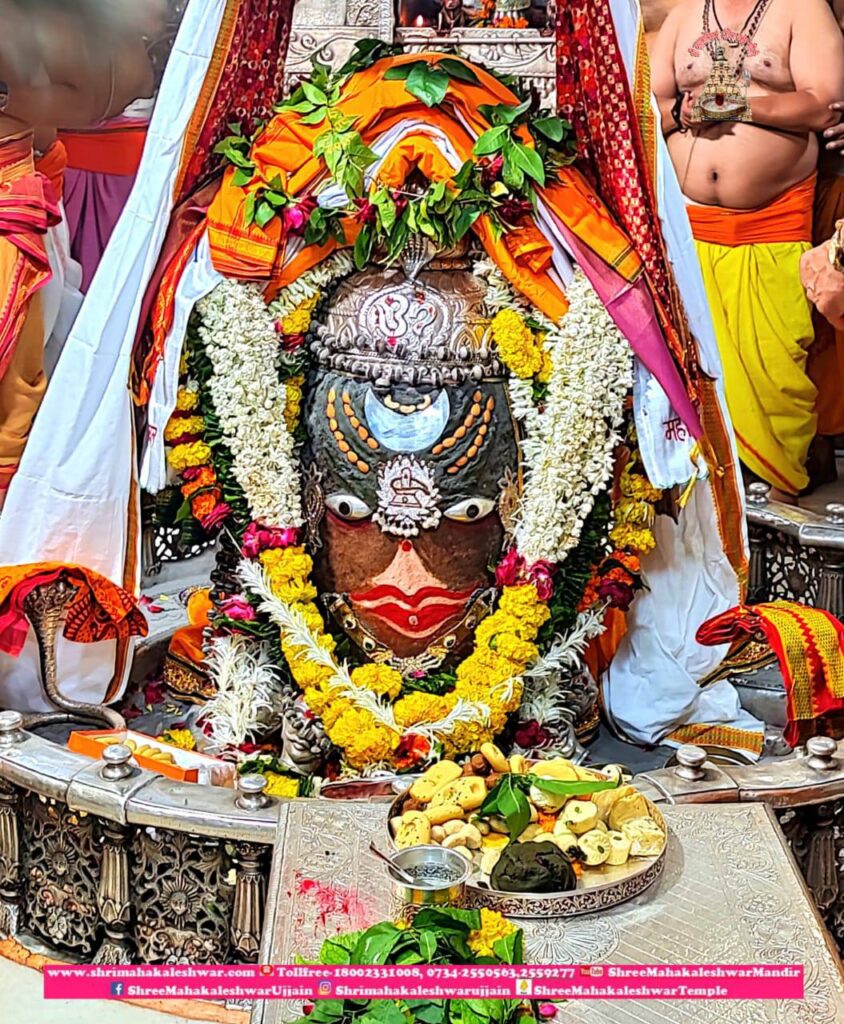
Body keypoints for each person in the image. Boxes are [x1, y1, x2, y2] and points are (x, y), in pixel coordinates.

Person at [651, 0, 844, 503]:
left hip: (772, 227)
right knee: (694, 373)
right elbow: (643, 103)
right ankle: (714, 507)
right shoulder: (683, 16)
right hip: (690, 236)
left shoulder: (801, 10)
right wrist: (680, 110)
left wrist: (742, 106)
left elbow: (825, 103)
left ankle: (786, 493)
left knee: (776, 381)